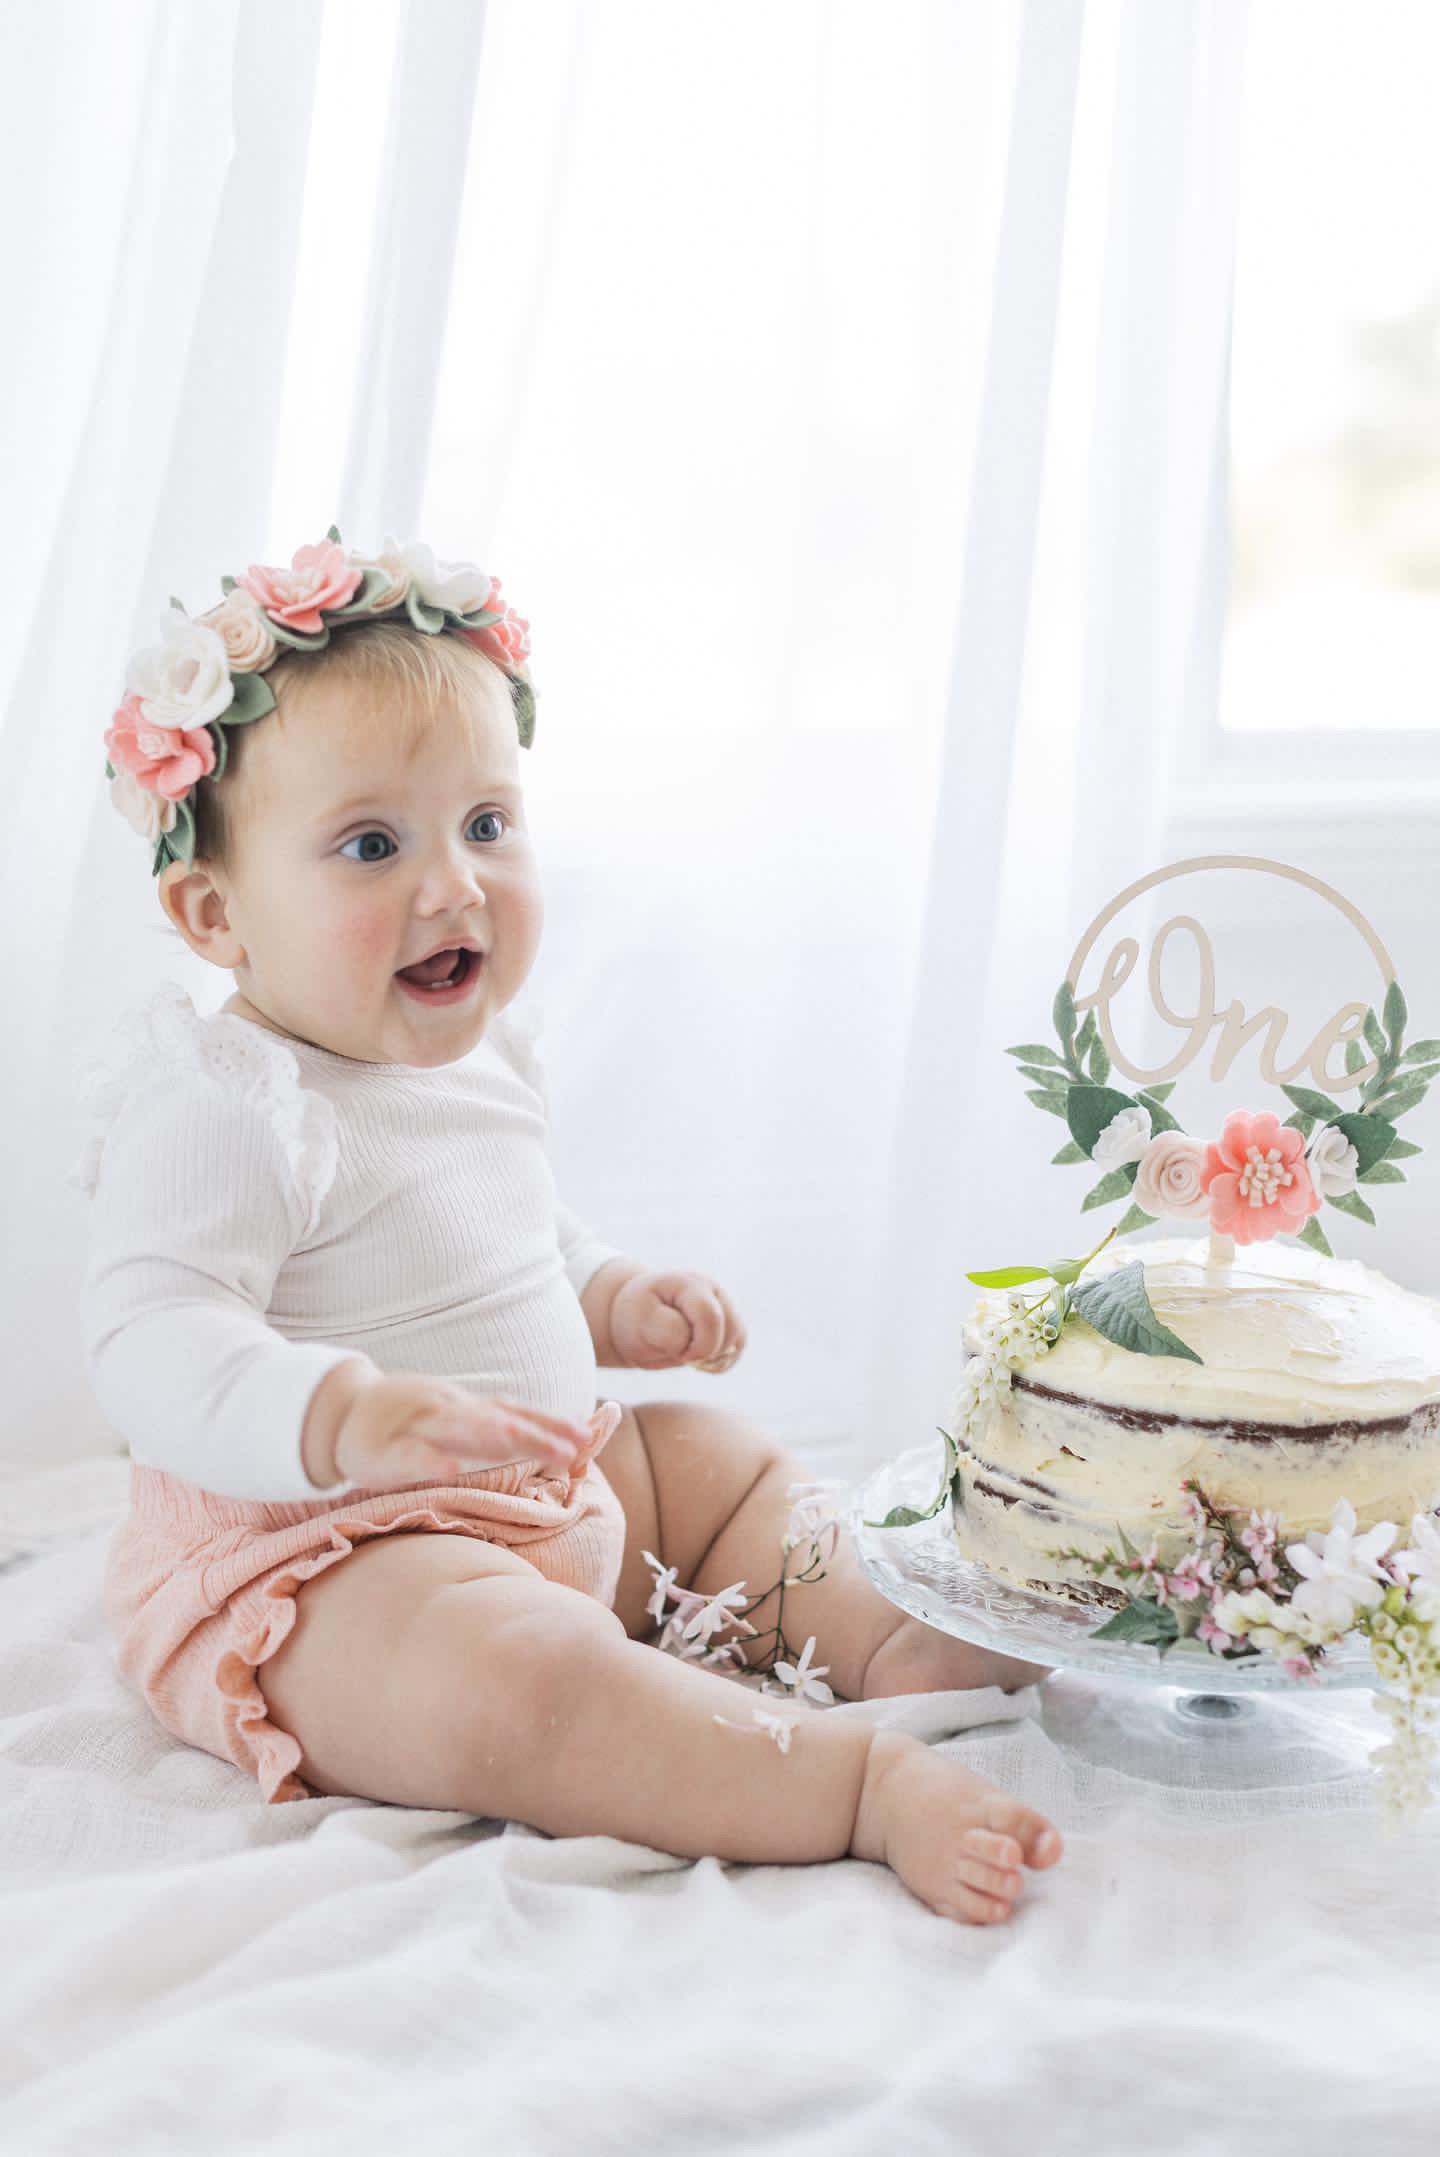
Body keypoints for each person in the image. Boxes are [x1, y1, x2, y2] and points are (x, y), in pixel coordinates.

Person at [72, 531, 1064, 1926]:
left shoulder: (471, 1056)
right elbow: (147, 1334)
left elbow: (515, 1231)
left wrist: (613, 1291)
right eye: (373, 844)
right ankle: (837, 1785)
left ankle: (887, 1632)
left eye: (485, 824)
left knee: (712, 1462)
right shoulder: (231, 1098)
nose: (453, 884)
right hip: (332, 1563)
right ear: (214, 912)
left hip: (540, 1484)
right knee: (515, 1680)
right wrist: (340, 1416)